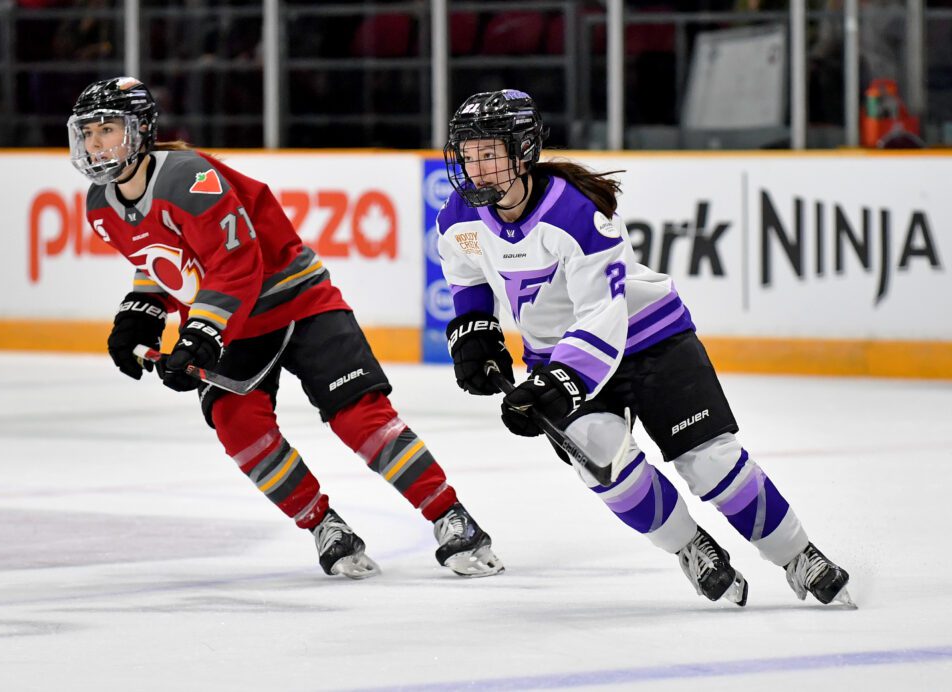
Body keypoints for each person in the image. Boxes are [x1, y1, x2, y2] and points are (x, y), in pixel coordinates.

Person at [66, 76, 503, 580]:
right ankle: (325, 527)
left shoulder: (188, 176)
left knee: (359, 417)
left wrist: (198, 336)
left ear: (141, 130)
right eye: (90, 133)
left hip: (297, 302)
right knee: (239, 427)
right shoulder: (101, 207)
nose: (97, 144)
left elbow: (236, 263)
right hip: (235, 324)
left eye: (109, 129)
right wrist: (139, 311)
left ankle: (451, 516)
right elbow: (166, 261)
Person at [437, 89, 852, 606]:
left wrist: (556, 382)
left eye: (489, 152)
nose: (475, 167)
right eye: (468, 153)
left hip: (649, 338)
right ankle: (689, 546)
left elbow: (602, 317)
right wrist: (475, 331)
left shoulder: (575, 213)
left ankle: (798, 555)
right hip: (560, 360)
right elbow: (465, 270)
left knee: (710, 462)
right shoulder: (459, 216)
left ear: (522, 151)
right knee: (602, 463)